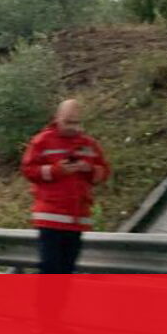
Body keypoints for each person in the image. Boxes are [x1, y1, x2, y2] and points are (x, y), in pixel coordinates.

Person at [20, 99, 110, 274]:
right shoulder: (42, 141)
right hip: (50, 217)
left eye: (76, 122)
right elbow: (28, 170)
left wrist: (89, 169)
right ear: (57, 118)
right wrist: (56, 170)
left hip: (77, 219)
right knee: (51, 270)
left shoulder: (88, 144)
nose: (72, 127)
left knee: (66, 272)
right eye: (68, 122)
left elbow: (104, 172)